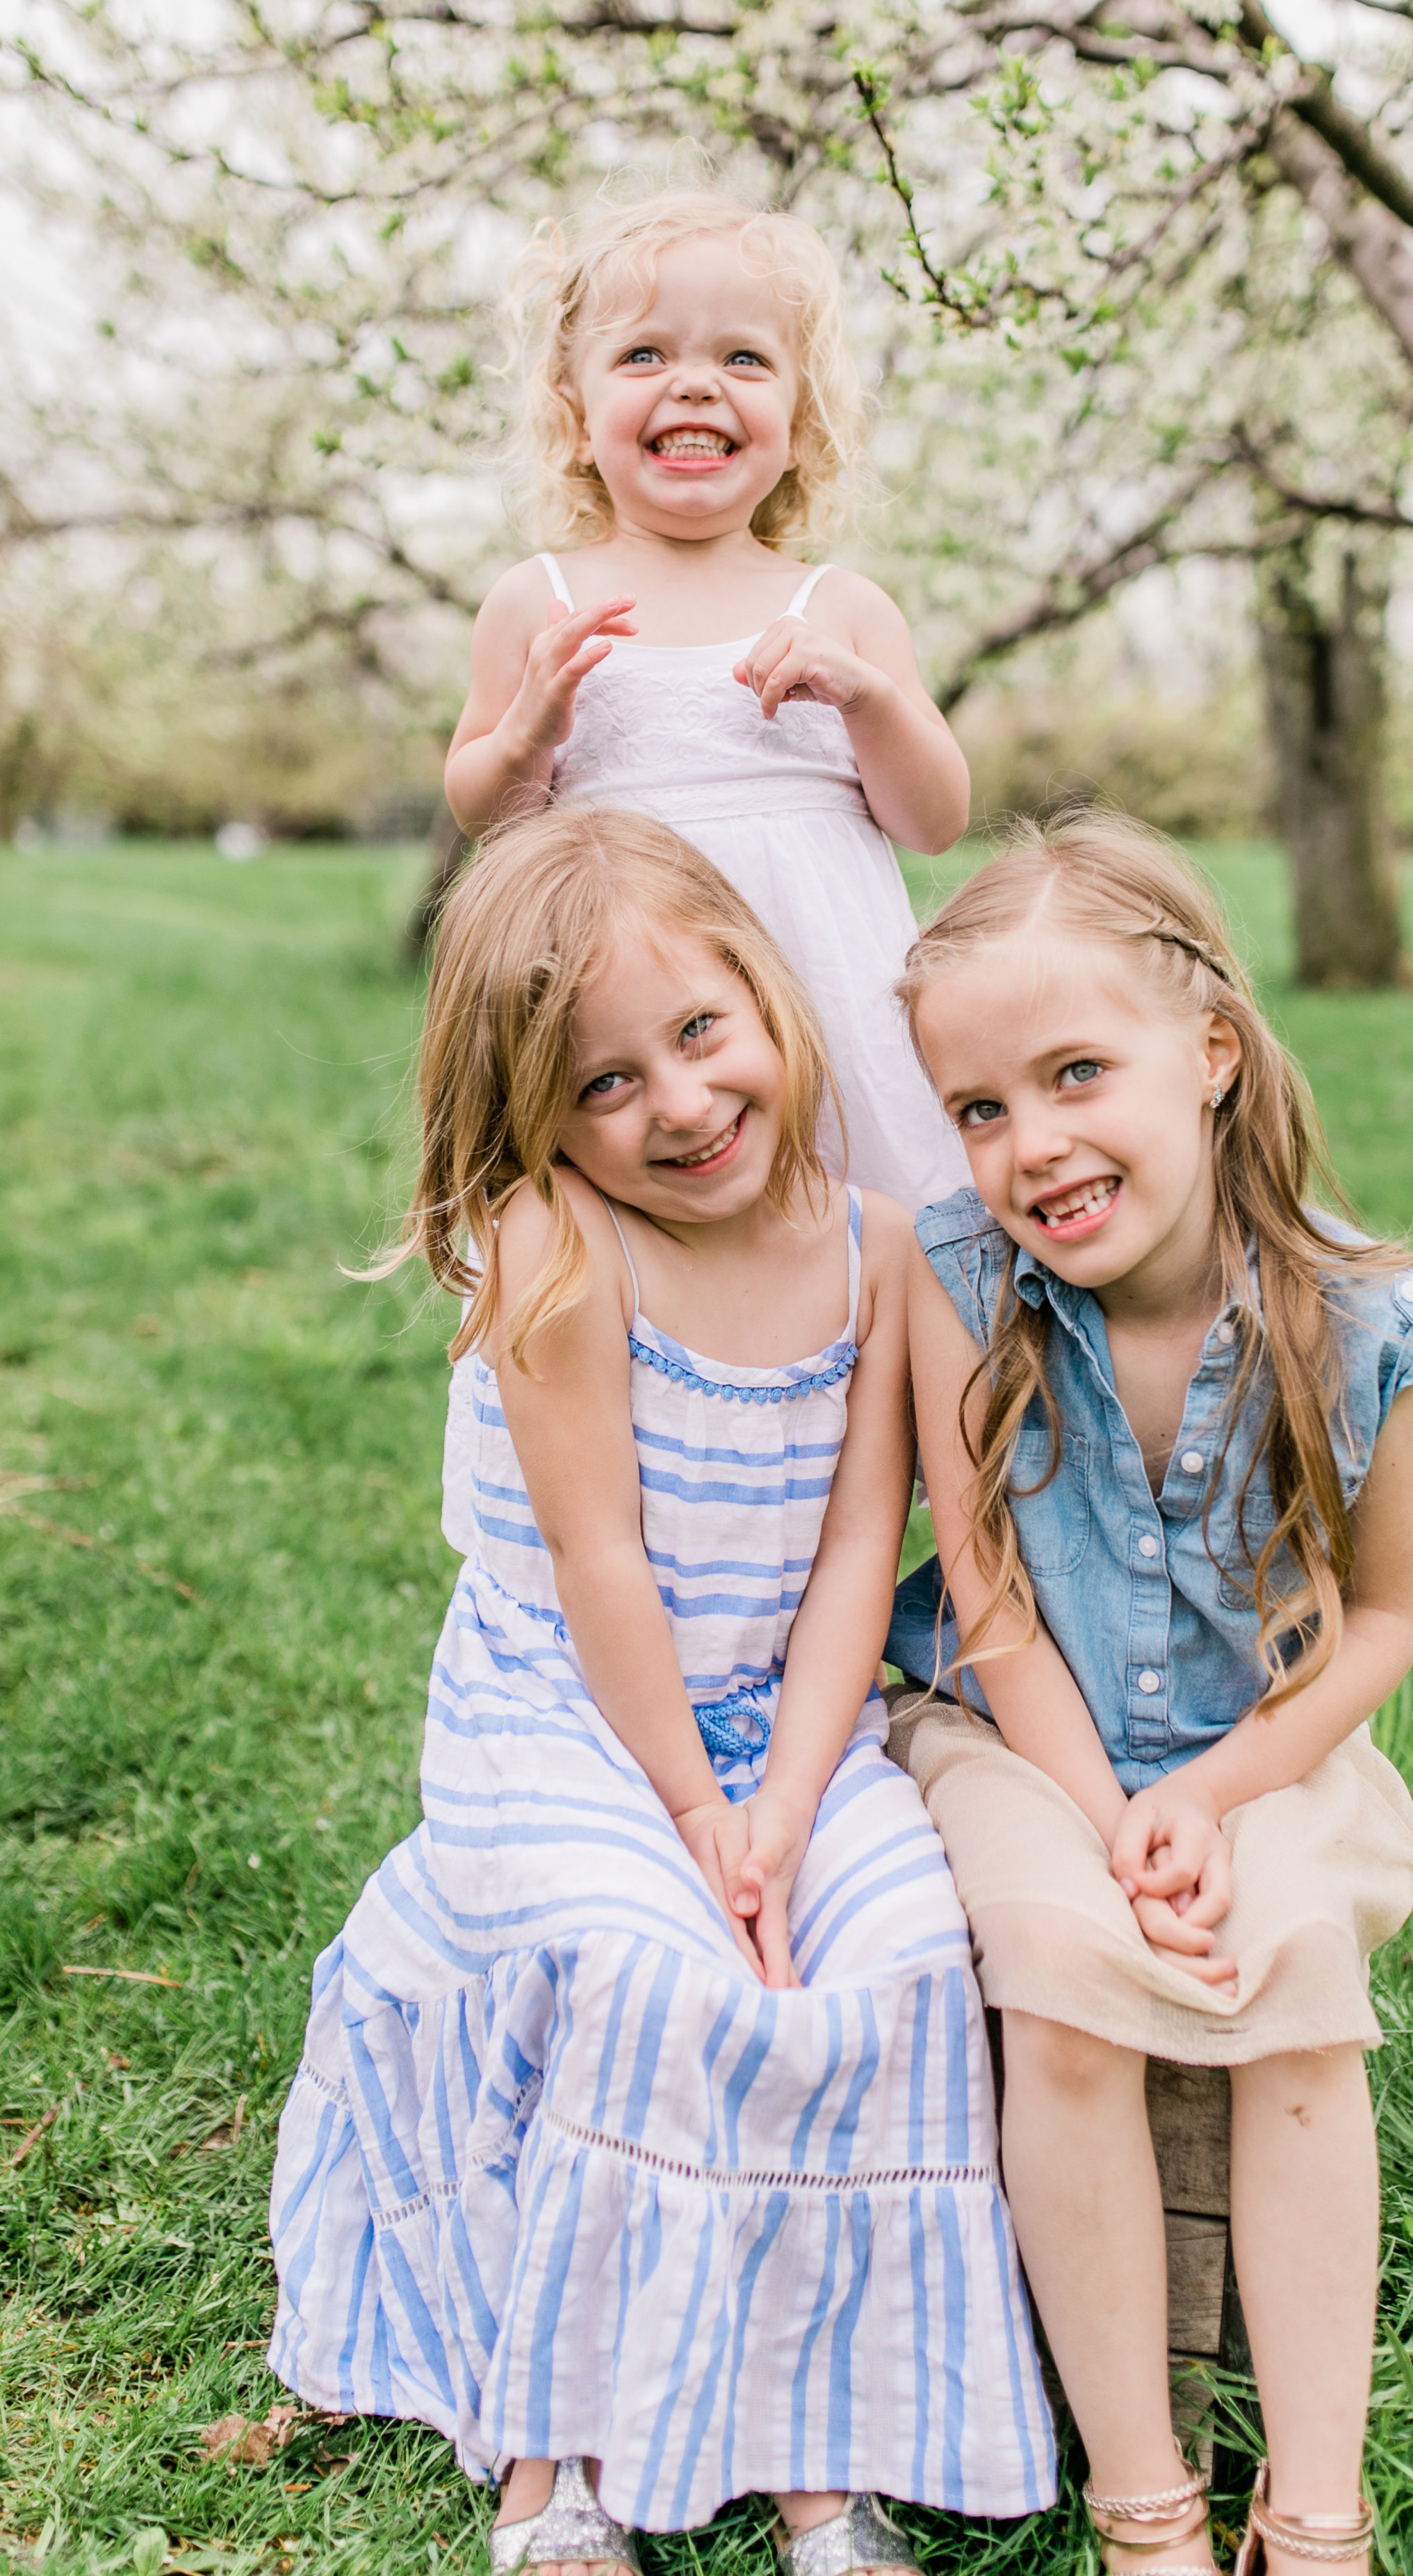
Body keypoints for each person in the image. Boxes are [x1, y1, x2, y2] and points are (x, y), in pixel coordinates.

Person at [268, 807, 1054, 2576]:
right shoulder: (561, 1254)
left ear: (769, 1001)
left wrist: (782, 1799)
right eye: (603, 1084)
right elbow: (605, 1568)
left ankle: (817, 2449)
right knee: (654, 1968)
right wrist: (700, 1825)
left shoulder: (874, 1246)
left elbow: (863, 1548)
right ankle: (556, 2462)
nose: (678, 1105)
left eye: (700, 1036)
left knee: (898, 1957)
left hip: (791, 1709)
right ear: (533, 1117)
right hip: (565, 1709)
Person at [882, 813, 1413, 2576]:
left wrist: (1207, 1799)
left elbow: (1379, 1624)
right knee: (1064, 1982)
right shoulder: (955, 1280)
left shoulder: (1369, 1320)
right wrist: (1110, 1814)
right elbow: (985, 1600)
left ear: (1209, 1051)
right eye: (980, 1109)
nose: (1029, 1145)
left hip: (1268, 1746)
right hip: (1008, 1729)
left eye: (1075, 1074)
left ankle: (1312, 2509)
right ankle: (1144, 2505)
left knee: (1291, 1985)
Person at [443, 184, 965, 1215]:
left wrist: (869, 703)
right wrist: (528, 735)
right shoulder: (537, 601)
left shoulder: (844, 608)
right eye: (644, 356)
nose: (694, 386)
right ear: (574, 415)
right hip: (629, 1022)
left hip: (828, 999)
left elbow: (936, 820)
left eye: (743, 358)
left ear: (801, 421)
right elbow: (483, 812)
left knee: (862, 1236)